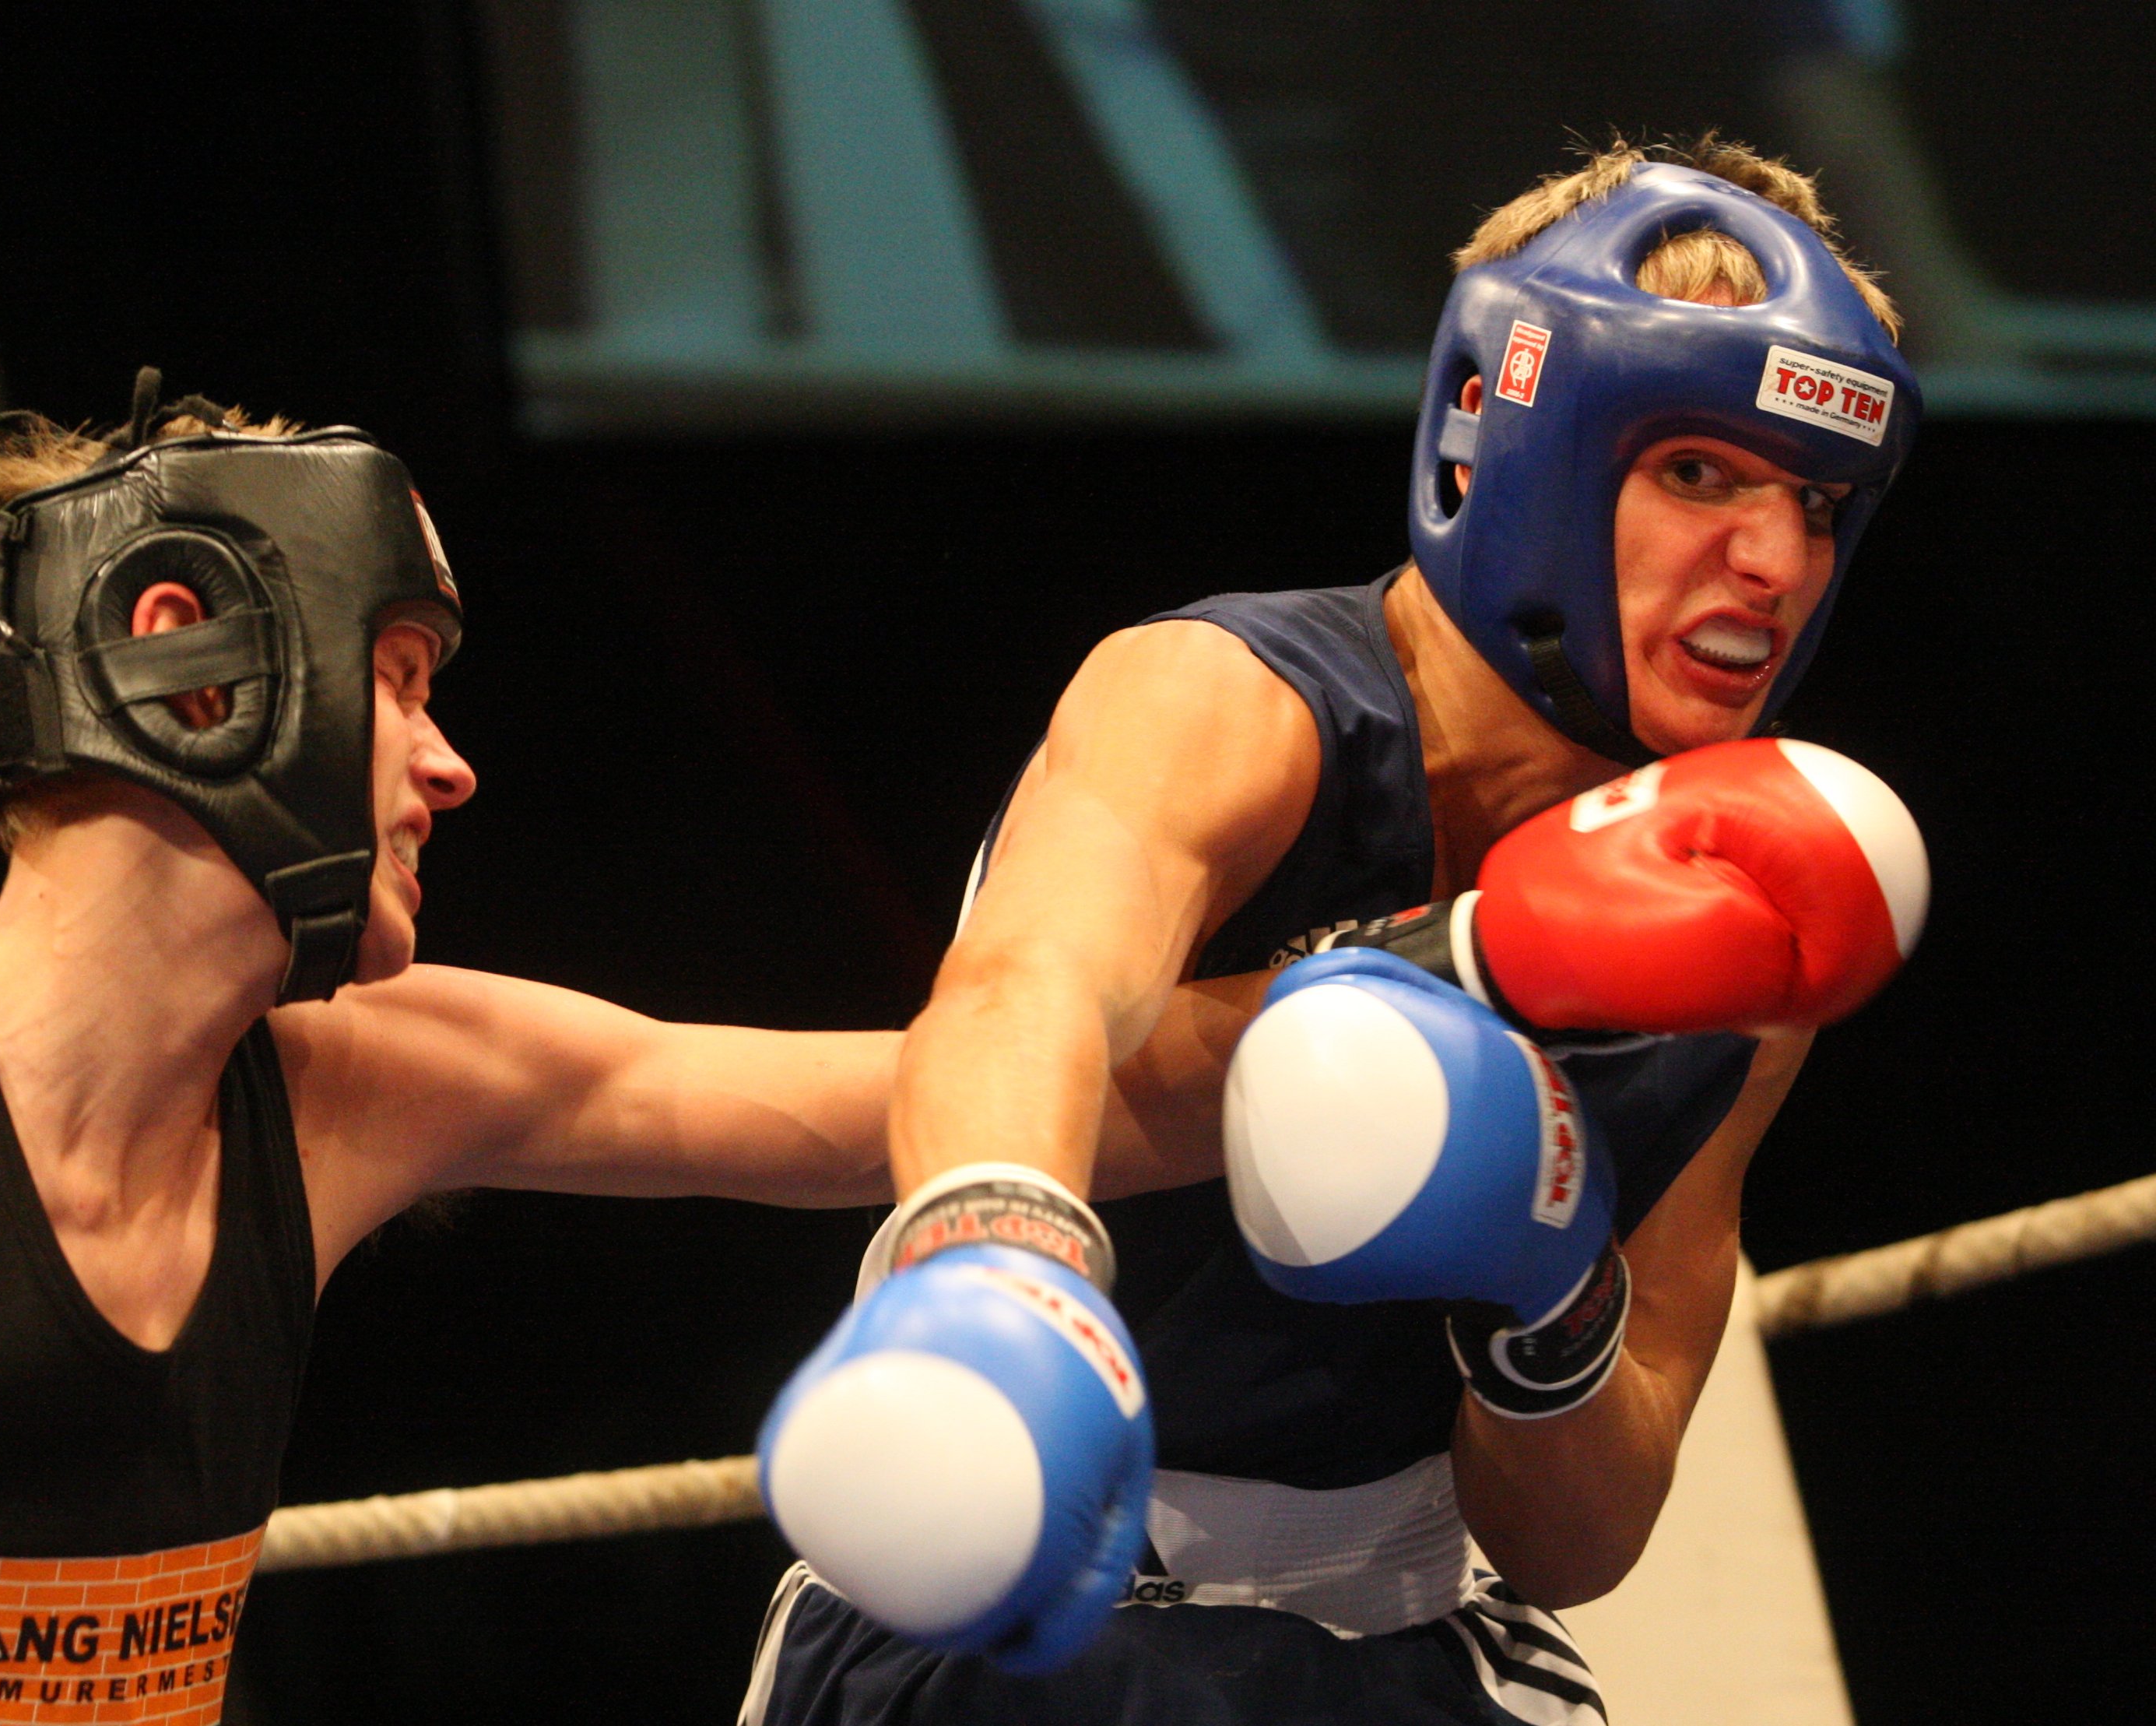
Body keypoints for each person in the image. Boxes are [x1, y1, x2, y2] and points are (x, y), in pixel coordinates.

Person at [0, 373, 1222, 1726]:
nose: (450, 765)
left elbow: (891, 1104)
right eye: (400, 681)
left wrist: (1346, 1012)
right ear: (189, 657)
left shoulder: (362, 1079)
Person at [750, 139, 1928, 1726]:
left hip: (1404, 1645)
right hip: (1012, 1616)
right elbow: (1026, 989)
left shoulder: (1747, 921)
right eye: (1701, 475)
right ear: (1507, 433)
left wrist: (1545, 1290)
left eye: (1820, 502)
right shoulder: (1227, 697)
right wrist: (1001, 1275)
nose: (1776, 563)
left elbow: (1583, 1538)